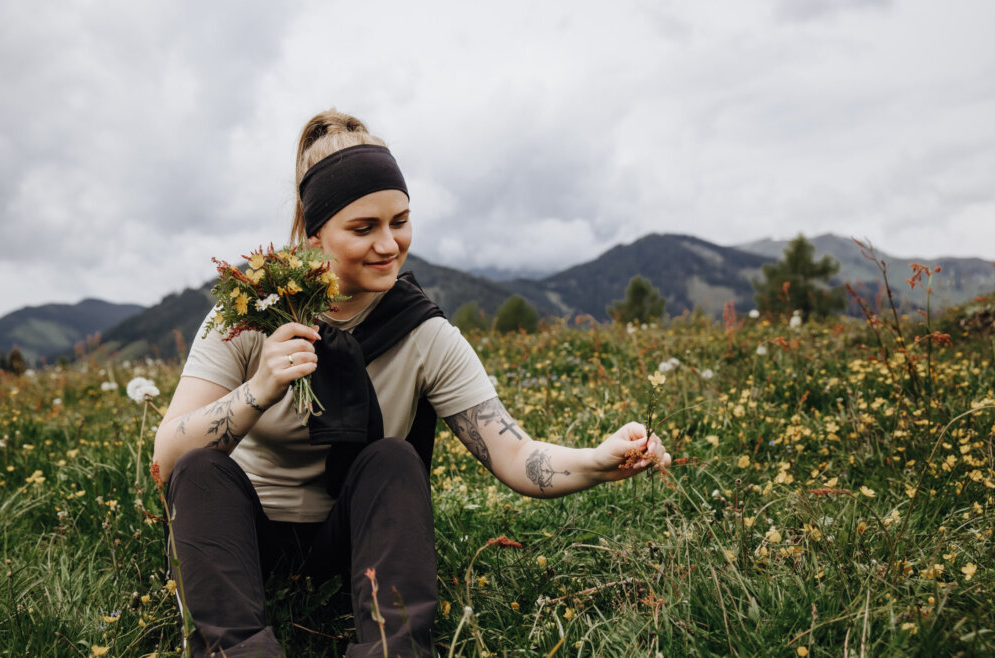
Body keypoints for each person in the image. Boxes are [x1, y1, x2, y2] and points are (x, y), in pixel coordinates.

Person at [152, 109, 671, 657]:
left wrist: (597, 460)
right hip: (242, 543)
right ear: (314, 232)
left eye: (399, 221)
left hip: (353, 544)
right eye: (363, 228)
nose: (388, 245)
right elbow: (169, 457)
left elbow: (516, 455)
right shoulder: (248, 321)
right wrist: (257, 390)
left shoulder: (425, 334)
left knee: (394, 459)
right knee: (202, 469)